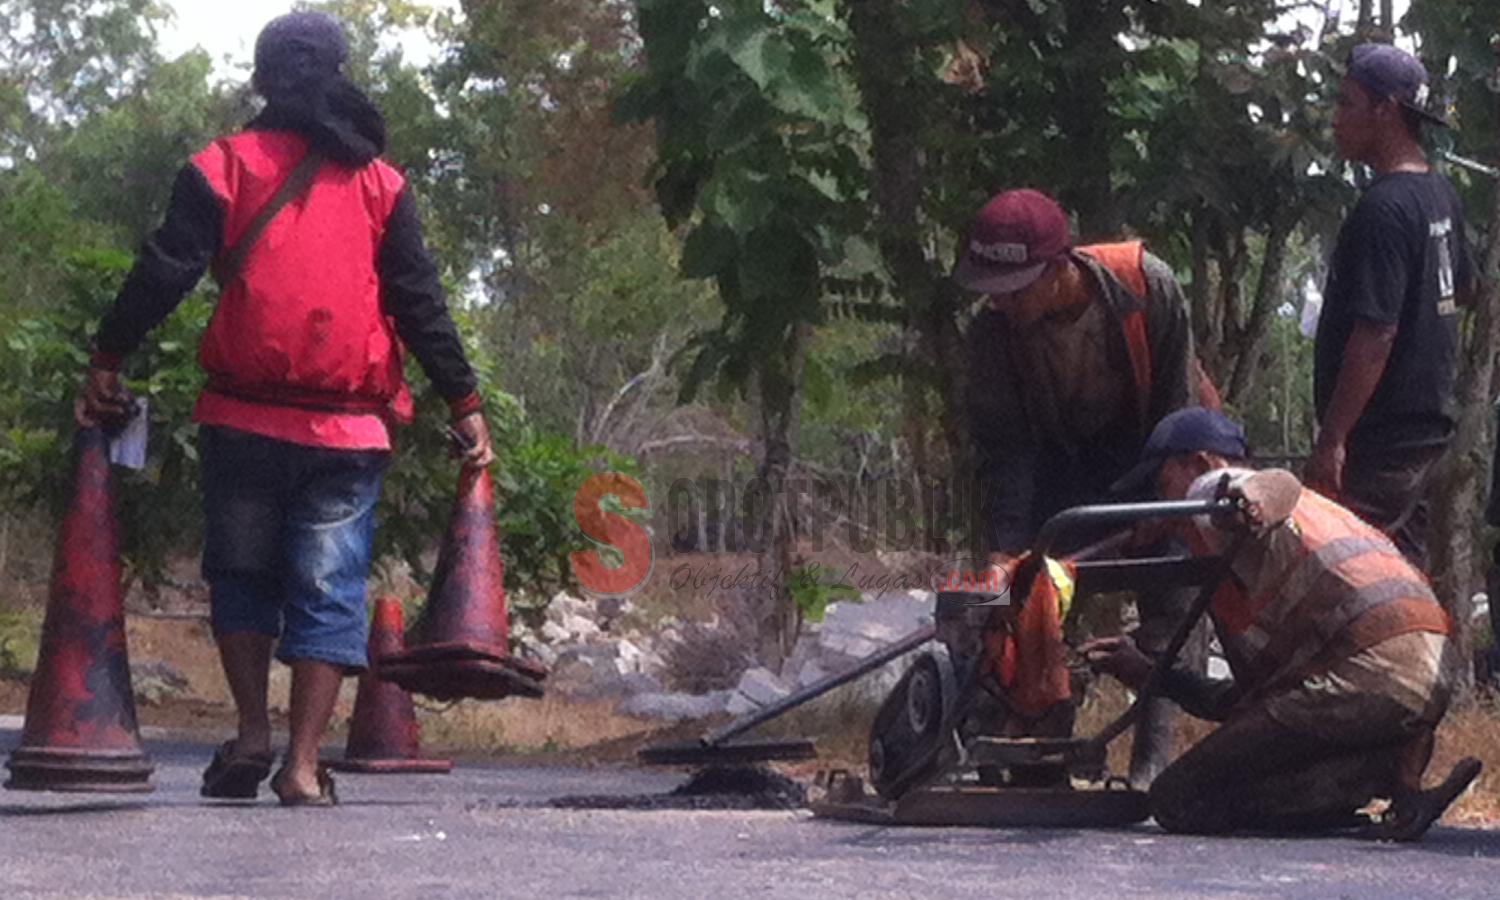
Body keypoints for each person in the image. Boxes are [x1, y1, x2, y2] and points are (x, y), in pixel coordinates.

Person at [76, 11, 493, 806]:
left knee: (240, 574)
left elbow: (166, 268)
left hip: (240, 417)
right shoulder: (380, 182)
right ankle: (302, 765)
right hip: (348, 428)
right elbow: (418, 301)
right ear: (338, 75)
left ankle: (252, 731)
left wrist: (108, 355)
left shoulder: (223, 164)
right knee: (329, 588)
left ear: (261, 80)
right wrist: (463, 402)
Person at [1085, 407, 1480, 840]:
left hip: (1369, 674)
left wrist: (1246, 506)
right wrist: (1150, 674)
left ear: (1200, 462)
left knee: (1177, 799)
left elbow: (1274, 485)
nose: (1163, 504)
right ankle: (1391, 770)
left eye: (1161, 483)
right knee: (1251, 757)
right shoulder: (1290, 540)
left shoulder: (1223, 497)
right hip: (1423, 670)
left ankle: (1369, 773)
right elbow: (1248, 706)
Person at [954, 187, 1211, 787]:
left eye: (1016, 287)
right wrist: (1008, 548)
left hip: (1147, 454)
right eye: (995, 289)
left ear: (1058, 267)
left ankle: (1153, 761)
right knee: (1026, 603)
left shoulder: (1149, 287)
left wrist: (1161, 501)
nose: (1004, 302)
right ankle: (1039, 747)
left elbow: (1179, 411)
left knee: (1169, 604)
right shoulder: (992, 334)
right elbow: (1006, 450)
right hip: (1057, 467)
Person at [1310, 43, 1474, 568]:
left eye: (1347, 103)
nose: (1336, 118)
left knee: (1352, 588)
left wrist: (1333, 438)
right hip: (1428, 440)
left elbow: (1374, 336)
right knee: (1409, 580)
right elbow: (1460, 290)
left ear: (1384, 110)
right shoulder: (1439, 193)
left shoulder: (1384, 210)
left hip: (1381, 449)